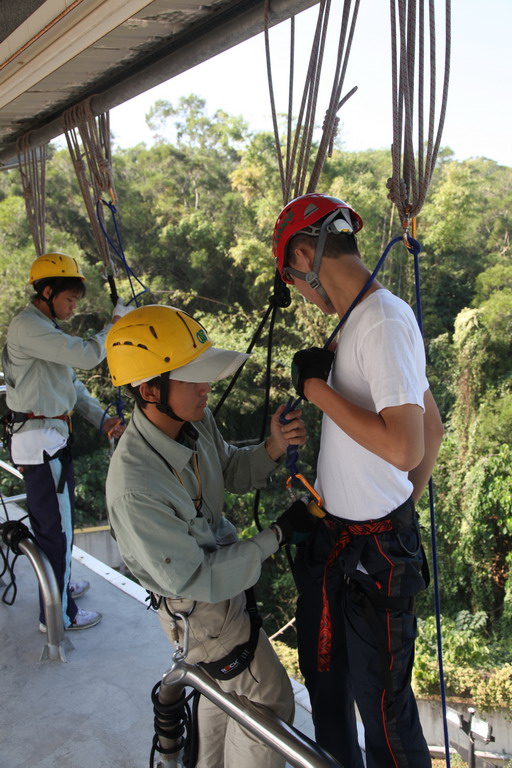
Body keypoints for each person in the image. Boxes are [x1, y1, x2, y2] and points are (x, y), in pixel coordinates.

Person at [272, 193, 445, 768]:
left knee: (385, 717)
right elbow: (433, 428)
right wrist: (390, 507)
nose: (299, 291)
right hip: (344, 541)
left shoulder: (383, 322)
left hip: (373, 553)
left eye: (293, 280)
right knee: (327, 686)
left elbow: (407, 444)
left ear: (303, 254)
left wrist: (317, 392)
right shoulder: (356, 324)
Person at [104, 304, 316, 768]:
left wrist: (274, 447)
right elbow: (195, 576)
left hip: (223, 590)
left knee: (227, 699)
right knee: (269, 706)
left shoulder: (193, 422)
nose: (207, 387)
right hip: (202, 610)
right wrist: (277, 535)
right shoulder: (136, 488)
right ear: (149, 389)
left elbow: (230, 469)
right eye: (192, 377)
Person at [2, 251, 127, 632]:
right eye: (70, 299)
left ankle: (60, 584)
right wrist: (115, 327)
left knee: (58, 524)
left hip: (48, 439)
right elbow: (89, 356)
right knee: (56, 528)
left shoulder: (45, 331)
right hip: (41, 443)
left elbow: (70, 382)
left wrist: (102, 419)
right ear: (48, 291)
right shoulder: (29, 328)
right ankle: (58, 615)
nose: (73, 306)